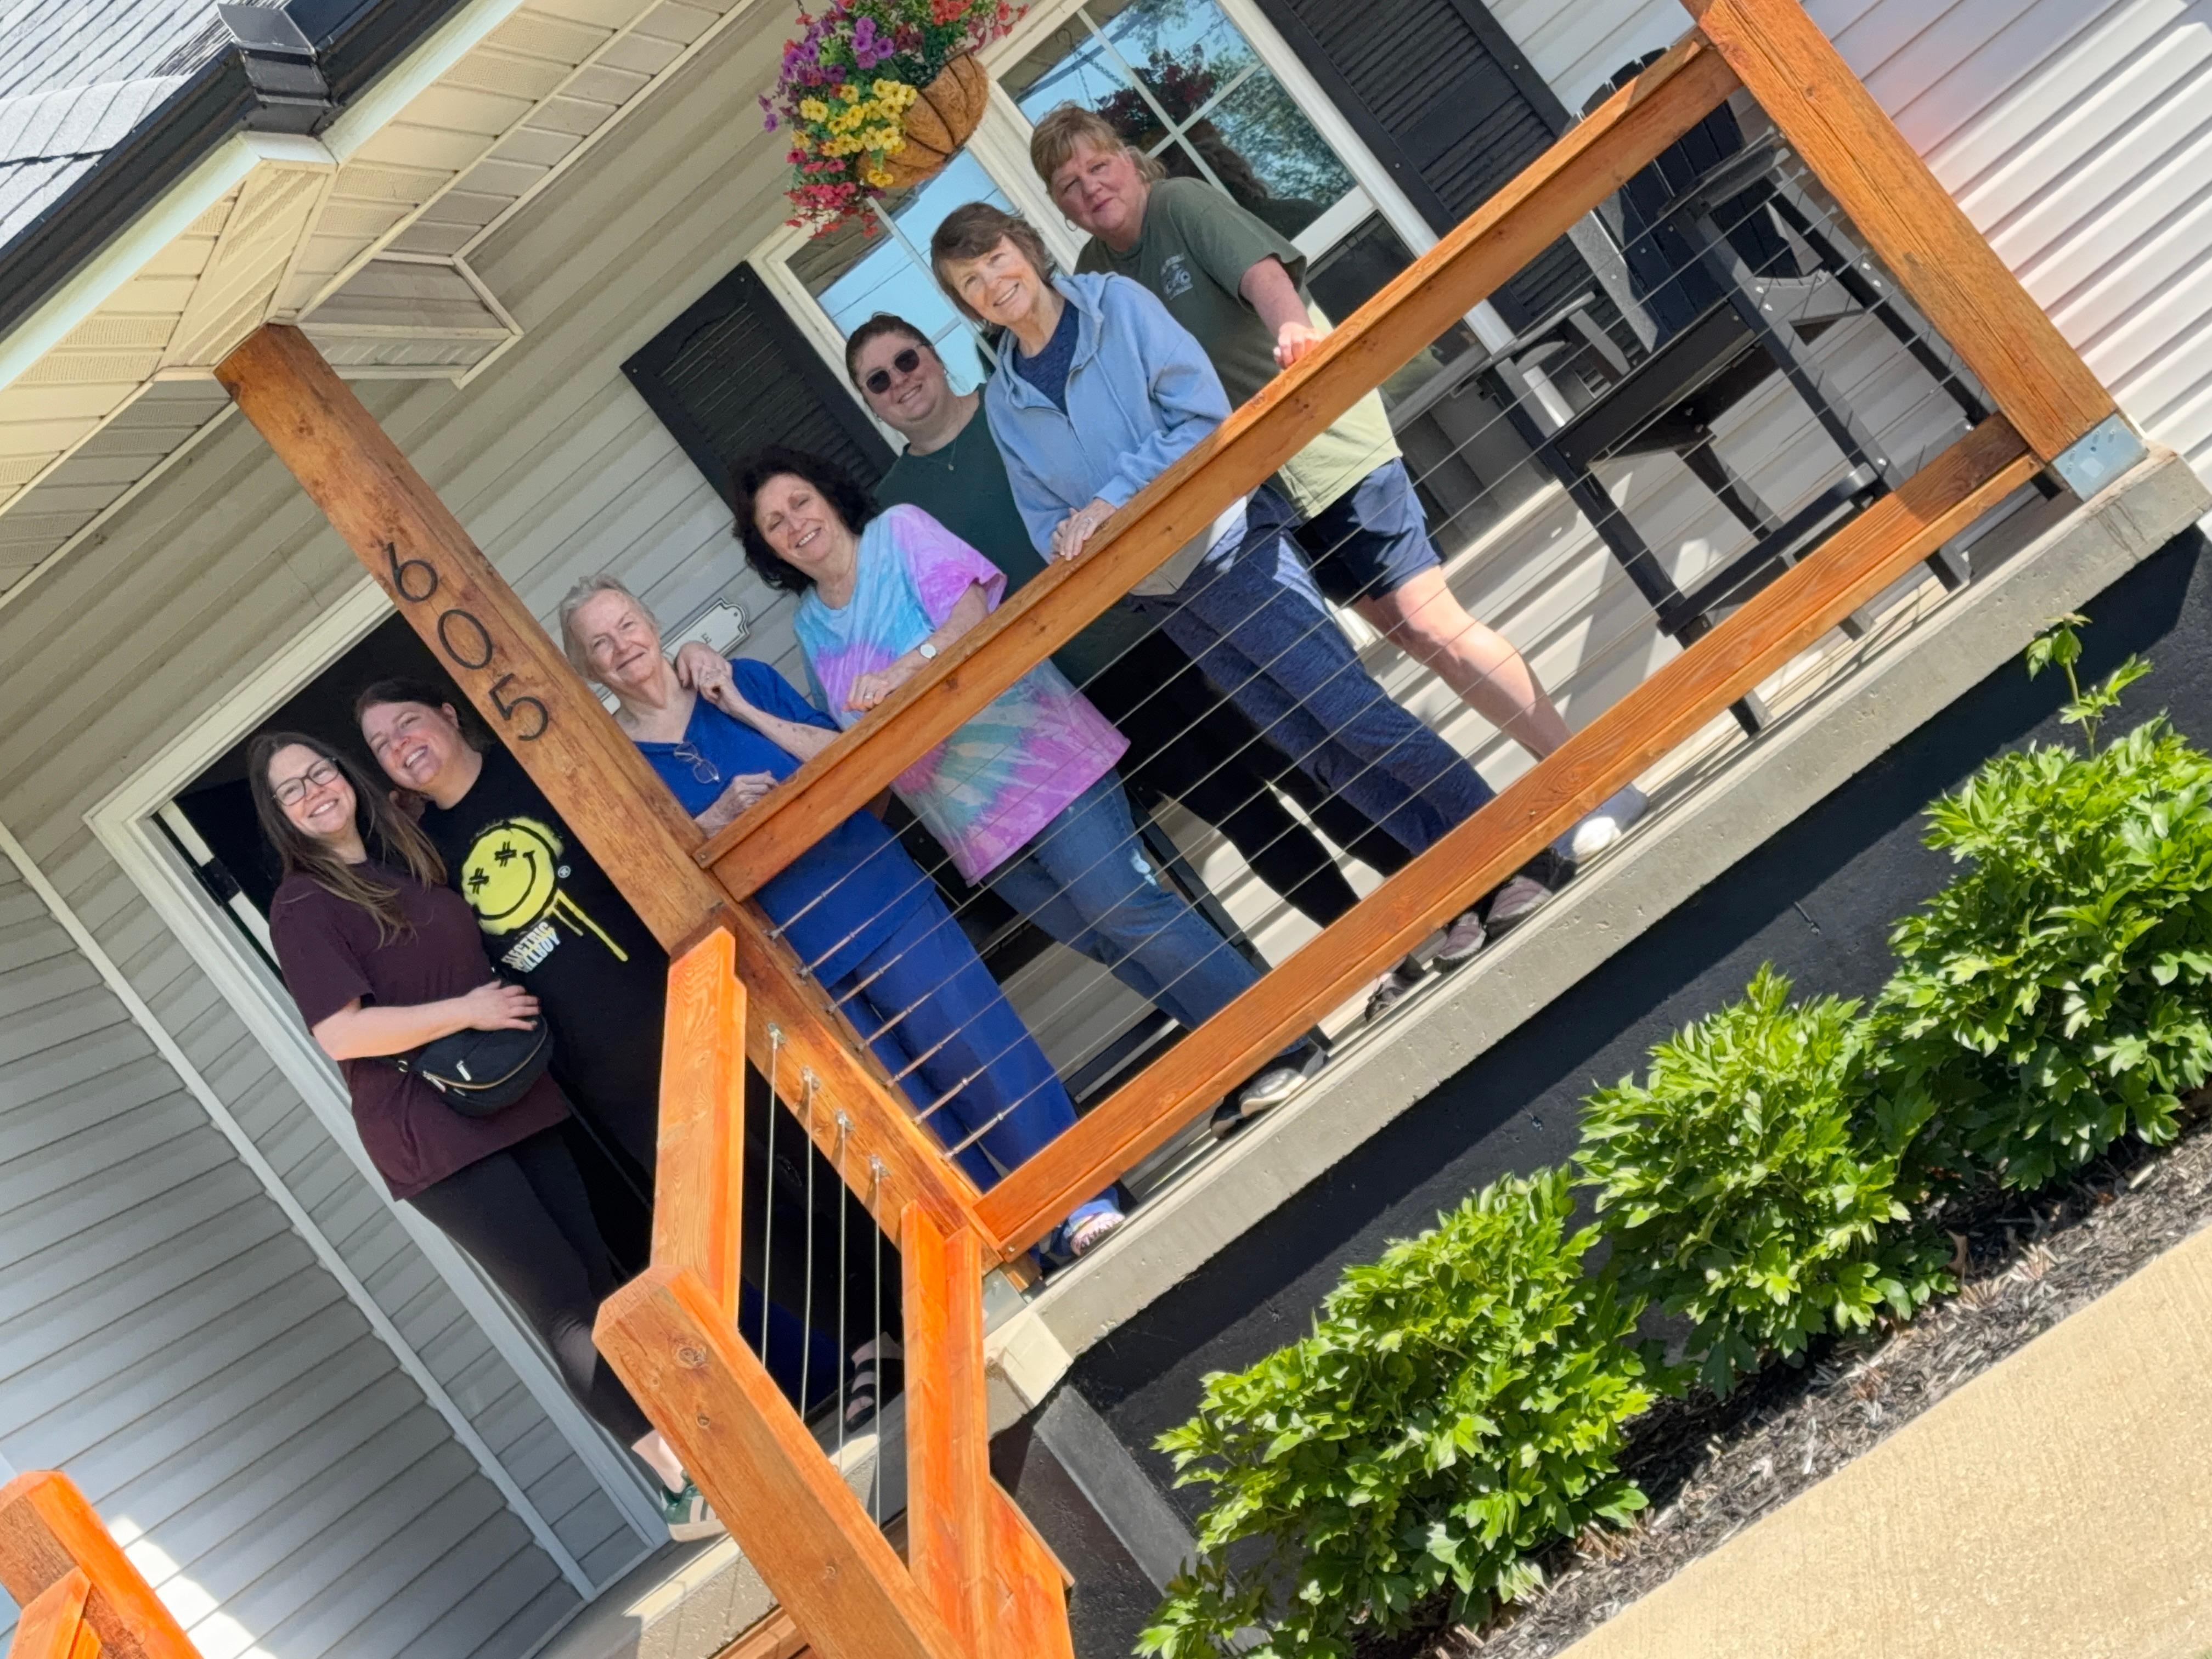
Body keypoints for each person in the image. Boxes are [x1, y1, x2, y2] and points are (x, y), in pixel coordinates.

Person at [928, 204, 1530, 1009]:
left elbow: (1199, 411)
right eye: (972, 283)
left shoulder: (1118, 307)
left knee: (1349, 715)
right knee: (1315, 746)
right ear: (966, 304)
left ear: (1027, 250)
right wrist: (1087, 536)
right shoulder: (1006, 401)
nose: (993, 285)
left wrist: (1109, 501)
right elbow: (1047, 524)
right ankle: (1462, 888)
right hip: (1164, 597)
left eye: (998, 260)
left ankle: (1511, 850)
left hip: (1235, 544)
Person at [1030, 104, 1647, 864]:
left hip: (1324, 446)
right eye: (1069, 184)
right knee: (1403, 639)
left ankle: (1596, 777)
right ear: (1057, 206)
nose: (1091, 189)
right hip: (1258, 497)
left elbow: (1262, 275)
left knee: (1427, 621)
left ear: (1128, 160)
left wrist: (1295, 329)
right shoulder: (1094, 277)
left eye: (1099, 166)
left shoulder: (1180, 204)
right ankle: (1541, 809)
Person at [723, 445, 1319, 1139]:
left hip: (1042, 759)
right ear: (768, 548)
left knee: (1125, 909)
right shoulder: (810, 625)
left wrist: (903, 673)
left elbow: (970, 613)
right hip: (966, 821)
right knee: (1107, 944)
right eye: (774, 524)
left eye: (800, 503)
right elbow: (855, 736)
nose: (795, 525)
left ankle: (1279, 1036)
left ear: (828, 495)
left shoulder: (899, 533)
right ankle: (1240, 1059)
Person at [354, 679, 893, 1418]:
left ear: (448, 717)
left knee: (822, 1158)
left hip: (697, 1008)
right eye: (382, 745)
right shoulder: (429, 867)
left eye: (407, 722)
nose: (400, 746)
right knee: (740, 1224)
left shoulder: (541, 770)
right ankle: (868, 1341)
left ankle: (914, 1293)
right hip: (611, 1073)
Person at [560, 573, 1126, 1260]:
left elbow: (848, 766)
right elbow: (651, 884)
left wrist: (741, 706)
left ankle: (1080, 1199)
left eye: (627, 625)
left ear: (651, 621)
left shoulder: (741, 681)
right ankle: (1016, 1242)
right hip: (792, 965)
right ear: (587, 668)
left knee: (984, 1055)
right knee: (911, 1110)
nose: (622, 647)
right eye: (600, 643)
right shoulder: (620, 767)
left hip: (879, 898)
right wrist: (712, 822)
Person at [251, 731, 723, 1542]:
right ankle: (682, 1483)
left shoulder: (400, 860)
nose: (315, 792)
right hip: (431, 1131)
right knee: (564, 1304)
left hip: (511, 1094)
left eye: (320, 773)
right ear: (280, 817)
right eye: (293, 790)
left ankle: (711, 1450)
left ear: (346, 779)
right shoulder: (304, 904)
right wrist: (470, 1011)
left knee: (600, 1277)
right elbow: (342, 1034)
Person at [850, 312, 1406, 938]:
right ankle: (1375, 946)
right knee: (1243, 815)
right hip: (1087, 684)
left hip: (1171, 614)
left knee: (1307, 761)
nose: (899, 381)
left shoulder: (1012, 408)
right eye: (877, 380)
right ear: (869, 404)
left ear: (934, 355)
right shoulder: (896, 511)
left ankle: (1429, 894)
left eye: (907, 360)